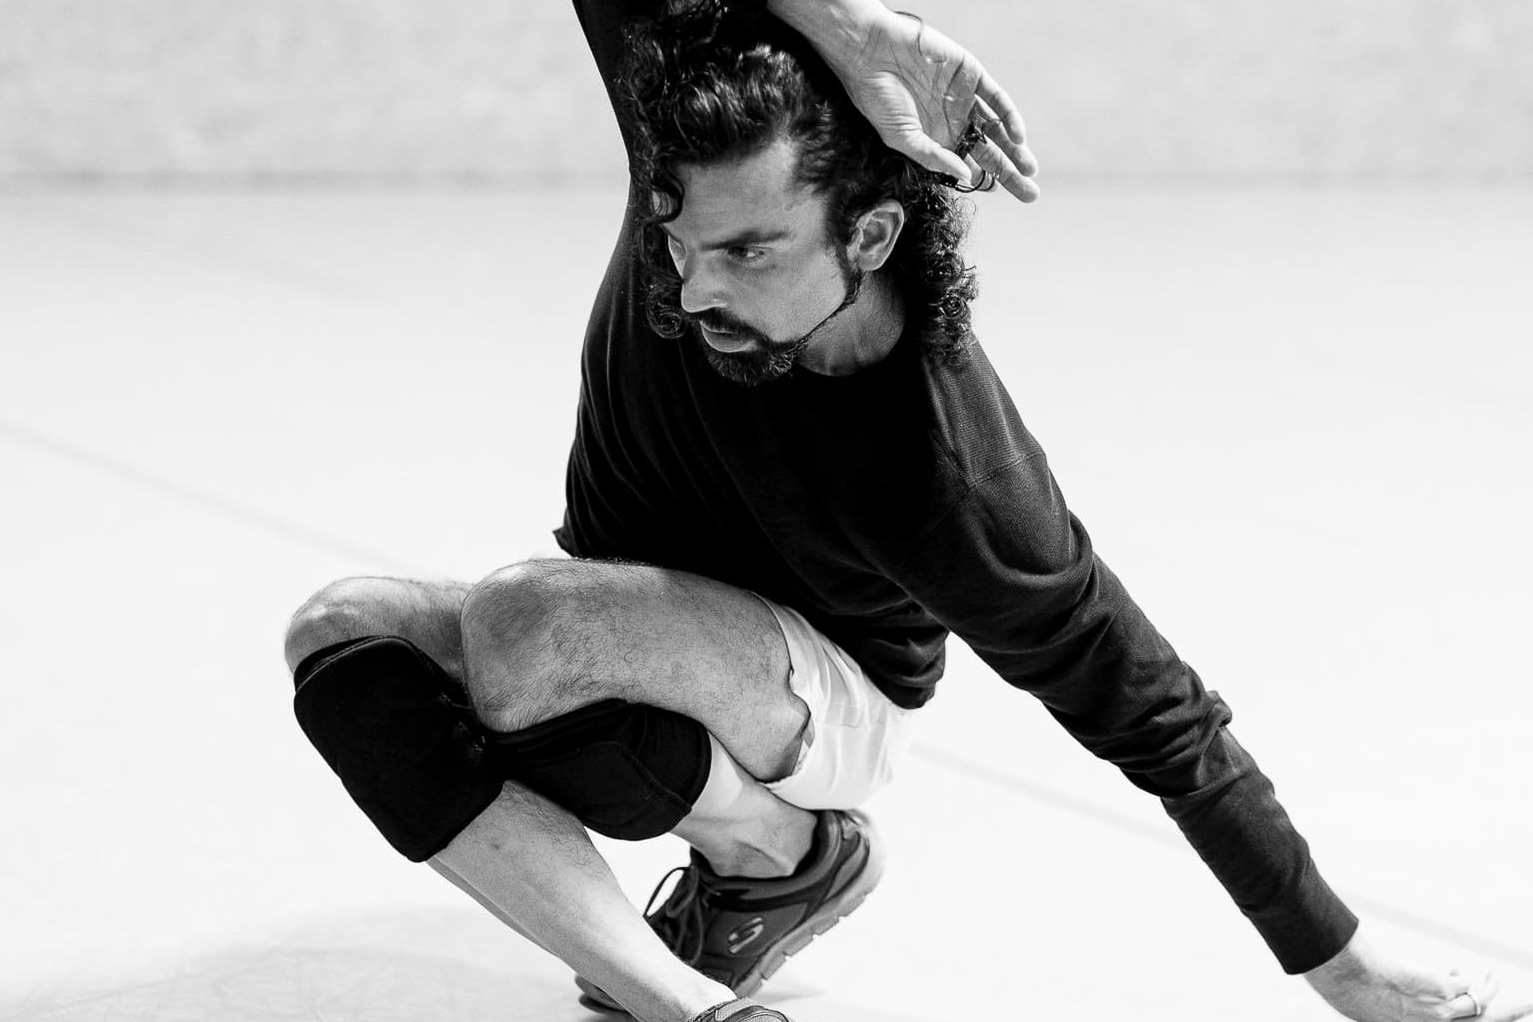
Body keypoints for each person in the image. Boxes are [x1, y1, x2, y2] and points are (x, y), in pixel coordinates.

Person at [282, 2, 1526, 1022]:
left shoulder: (951, 476)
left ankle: (786, 848)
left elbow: (1157, 711)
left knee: (526, 625)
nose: (689, 283)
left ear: (870, 230)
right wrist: (849, 20)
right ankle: (685, 997)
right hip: (628, 630)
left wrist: (1340, 958)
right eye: (673, 234)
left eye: (750, 253)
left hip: (827, 703)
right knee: (340, 635)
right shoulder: (702, 178)